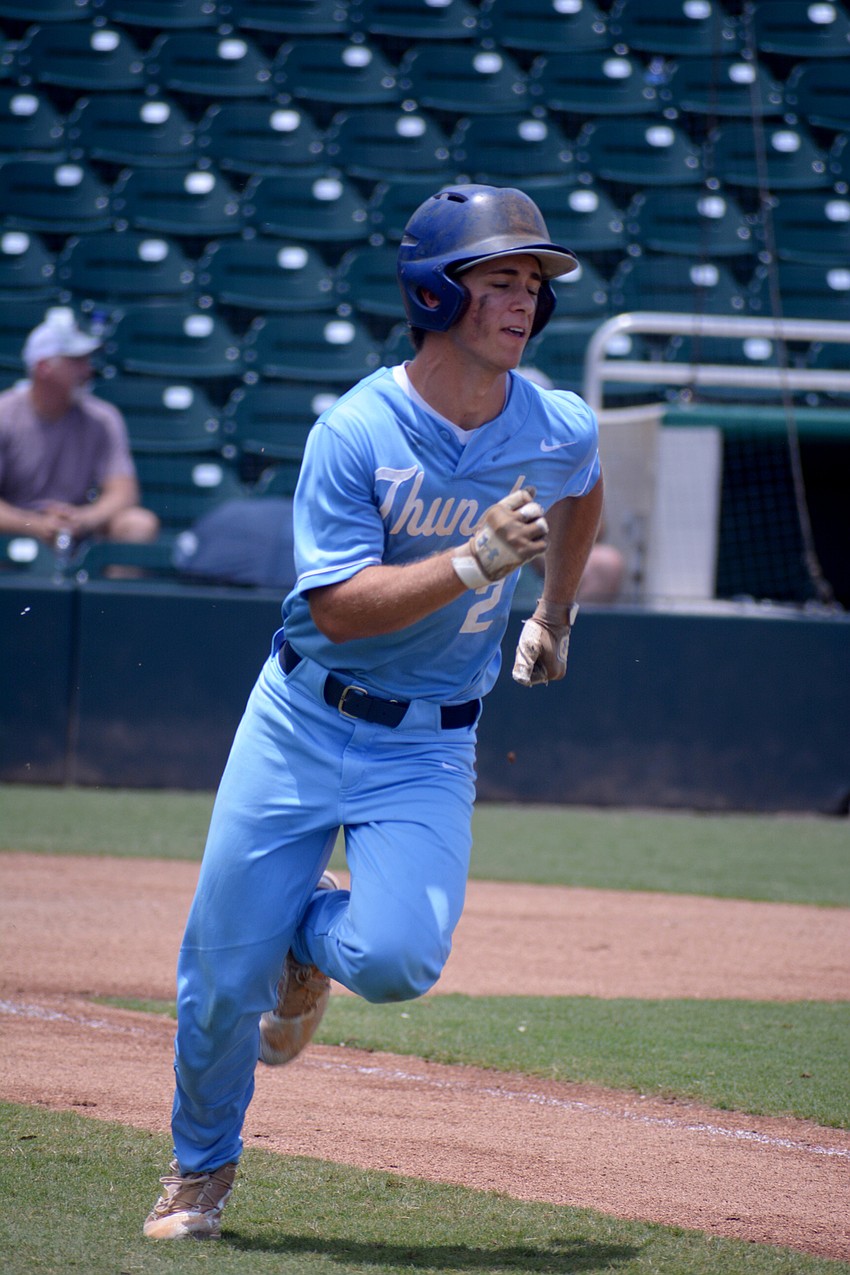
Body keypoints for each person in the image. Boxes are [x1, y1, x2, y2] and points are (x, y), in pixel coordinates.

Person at [143, 184, 605, 1241]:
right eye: (499, 280)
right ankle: (200, 1170)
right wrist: (473, 559)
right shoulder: (357, 430)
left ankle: (305, 945)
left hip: (429, 742)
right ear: (436, 295)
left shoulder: (554, 421)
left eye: (533, 283)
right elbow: (337, 610)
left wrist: (558, 614)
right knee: (218, 982)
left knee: (397, 959)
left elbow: (583, 487)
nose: (524, 300)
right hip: (302, 720)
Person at [0, 307, 159, 555]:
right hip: (14, 530)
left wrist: (83, 519)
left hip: (78, 528)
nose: (87, 371)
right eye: (76, 361)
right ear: (44, 368)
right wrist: (34, 525)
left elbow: (124, 492)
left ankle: (112, 595)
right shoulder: (4, 413)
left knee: (138, 523)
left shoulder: (103, 418)